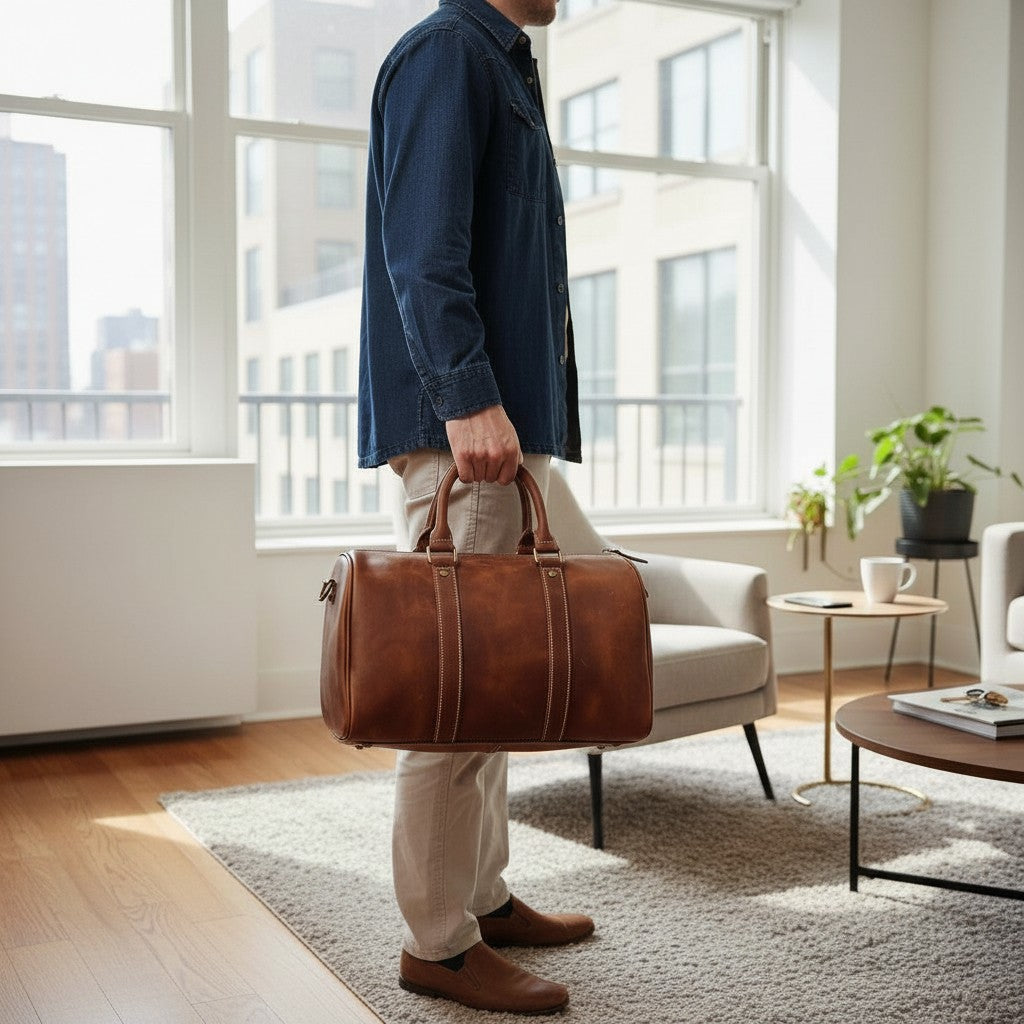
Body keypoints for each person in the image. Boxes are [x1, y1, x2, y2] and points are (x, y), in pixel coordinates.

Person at [357, 0, 592, 1014]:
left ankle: (483, 897)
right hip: (466, 432)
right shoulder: (450, 53)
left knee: (487, 679)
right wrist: (469, 402)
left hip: (492, 425)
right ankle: (437, 946)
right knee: (451, 698)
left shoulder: (501, 62)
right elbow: (421, 251)